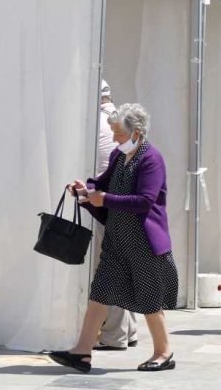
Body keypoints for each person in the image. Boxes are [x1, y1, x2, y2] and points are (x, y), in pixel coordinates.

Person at [50, 103, 179, 373]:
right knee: (100, 293)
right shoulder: (120, 157)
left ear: (137, 132)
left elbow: (144, 201)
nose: (115, 138)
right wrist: (86, 191)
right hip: (117, 239)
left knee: (149, 299)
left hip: (143, 242)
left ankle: (163, 353)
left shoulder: (151, 159)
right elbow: (103, 182)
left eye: (119, 133)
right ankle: (82, 352)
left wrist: (104, 198)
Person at [92, 80, 139, 352]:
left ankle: (113, 335)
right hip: (122, 205)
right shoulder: (118, 120)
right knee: (121, 267)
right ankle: (128, 330)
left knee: (109, 269)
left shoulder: (97, 123)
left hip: (107, 204)